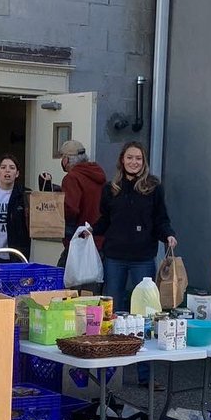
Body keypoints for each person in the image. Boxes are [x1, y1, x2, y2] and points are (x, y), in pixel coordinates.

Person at [81, 140, 177, 384]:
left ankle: (145, 375)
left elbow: (161, 219)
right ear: (122, 160)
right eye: (130, 157)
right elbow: (106, 219)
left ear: (144, 162)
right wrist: (91, 230)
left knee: (144, 315)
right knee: (111, 313)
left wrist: (168, 235)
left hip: (143, 259)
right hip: (114, 257)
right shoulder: (111, 188)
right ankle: (109, 372)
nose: (134, 162)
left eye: (138, 158)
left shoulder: (153, 187)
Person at [40, 139, 108, 273]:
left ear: (66, 160)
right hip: (99, 240)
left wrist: (53, 207)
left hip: (78, 241)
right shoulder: (98, 175)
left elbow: (70, 209)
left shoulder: (72, 178)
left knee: (62, 279)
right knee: (93, 283)